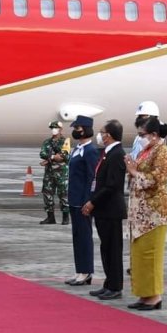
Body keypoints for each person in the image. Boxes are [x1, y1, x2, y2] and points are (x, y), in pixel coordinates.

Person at [124, 118, 167, 311]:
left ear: (154, 135)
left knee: (151, 255)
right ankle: (144, 294)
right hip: (140, 213)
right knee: (140, 255)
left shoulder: (163, 152)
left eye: (142, 135)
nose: (140, 138)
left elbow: (156, 180)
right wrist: (131, 167)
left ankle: (154, 296)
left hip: (154, 212)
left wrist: (134, 172)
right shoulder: (147, 151)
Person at [83, 119, 126, 300]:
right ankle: (109, 283)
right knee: (106, 248)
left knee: (113, 250)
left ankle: (115, 286)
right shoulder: (108, 153)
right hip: (103, 210)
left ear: (109, 135)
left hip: (110, 209)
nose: (99, 135)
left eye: (102, 132)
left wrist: (92, 202)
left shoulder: (117, 154)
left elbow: (112, 185)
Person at [64, 115, 99, 286]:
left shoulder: (90, 151)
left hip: (83, 201)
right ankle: (80, 270)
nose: (75, 131)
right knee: (77, 237)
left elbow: (92, 178)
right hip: (74, 199)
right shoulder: (77, 149)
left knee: (84, 237)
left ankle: (86, 271)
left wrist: (88, 200)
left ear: (84, 129)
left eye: (77, 128)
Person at [39, 121, 70, 225]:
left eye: (56, 128)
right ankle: (50, 217)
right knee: (47, 193)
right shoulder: (47, 142)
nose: (54, 129)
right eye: (52, 128)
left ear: (61, 129)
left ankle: (65, 217)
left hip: (62, 173)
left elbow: (65, 156)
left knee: (63, 194)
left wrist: (49, 159)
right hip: (49, 173)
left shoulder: (65, 141)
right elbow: (42, 153)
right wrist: (53, 157)